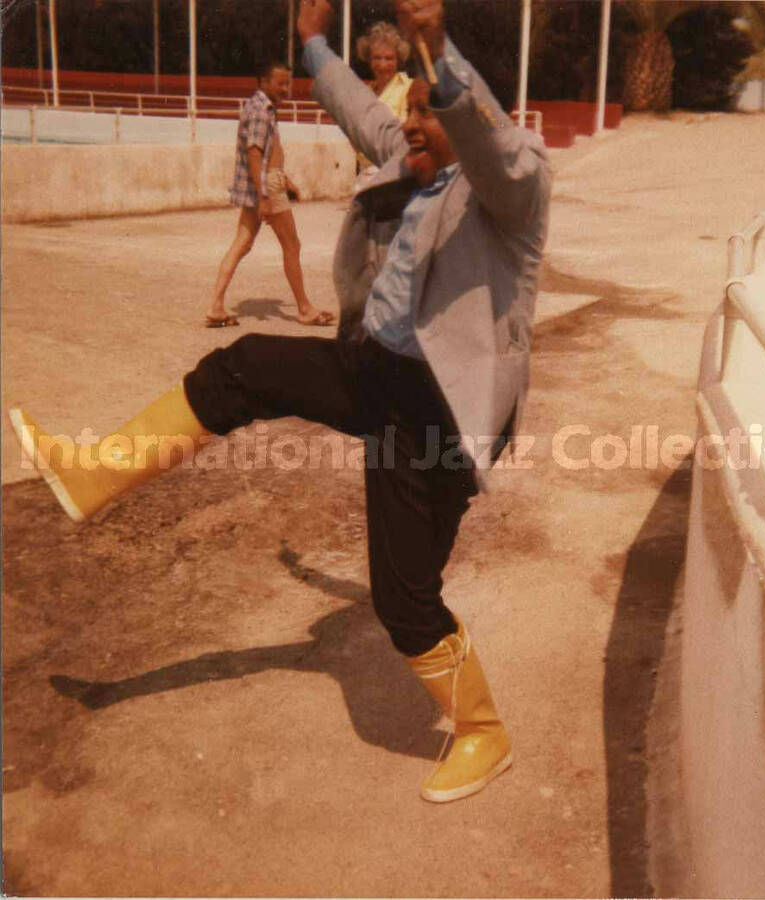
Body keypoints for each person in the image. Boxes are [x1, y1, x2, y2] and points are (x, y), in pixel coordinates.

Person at [10, 0, 551, 804]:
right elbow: (362, 109)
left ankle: (481, 732)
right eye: (406, 111)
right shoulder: (412, 161)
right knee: (246, 366)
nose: (406, 124)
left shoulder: (511, 188)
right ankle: (97, 473)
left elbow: (478, 133)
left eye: (424, 113)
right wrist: (310, 44)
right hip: (375, 372)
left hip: (438, 417)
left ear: (469, 113)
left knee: (404, 600)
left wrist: (434, 45)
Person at [206, 59, 335, 328]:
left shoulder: (261, 107)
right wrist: (265, 196)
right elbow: (255, 155)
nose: (286, 89)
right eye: (280, 83)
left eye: (288, 83)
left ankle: (215, 305)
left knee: (242, 242)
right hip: (267, 188)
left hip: (268, 184)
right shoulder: (261, 111)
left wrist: (286, 181)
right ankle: (304, 309)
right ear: (263, 83)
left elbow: (267, 155)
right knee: (292, 245)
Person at [354, 21, 412, 191]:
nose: (382, 64)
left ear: (398, 59)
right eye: (376, 58)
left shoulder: (408, 88)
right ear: (368, 59)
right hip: (365, 175)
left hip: (396, 175)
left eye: (389, 58)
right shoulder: (364, 93)